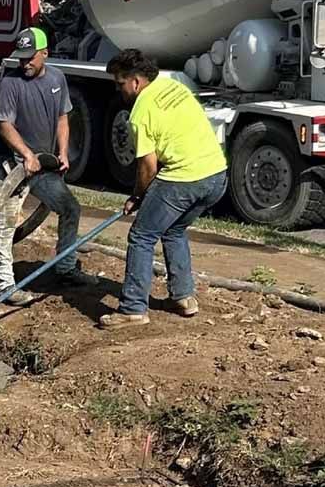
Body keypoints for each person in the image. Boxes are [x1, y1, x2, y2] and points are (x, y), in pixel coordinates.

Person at [98, 49, 228, 329]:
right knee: (174, 229)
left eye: (120, 84)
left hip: (184, 178)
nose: (118, 90)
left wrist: (137, 196)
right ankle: (184, 297)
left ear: (135, 81)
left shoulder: (140, 112)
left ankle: (133, 308)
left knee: (142, 235)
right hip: (217, 175)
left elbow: (147, 167)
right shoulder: (172, 86)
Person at [0, 26, 95, 305]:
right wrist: (26, 154)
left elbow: (63, 118)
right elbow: (4, 125)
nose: (25, 63)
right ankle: (4, 284)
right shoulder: (10, 84)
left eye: (30, 57)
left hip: (43, 161)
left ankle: (65, 267)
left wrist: (62, 152)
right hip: (10, 162)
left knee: (70, 208)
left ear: (45, 53)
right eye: (21, 58)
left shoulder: (57, 78)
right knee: (7, 221)